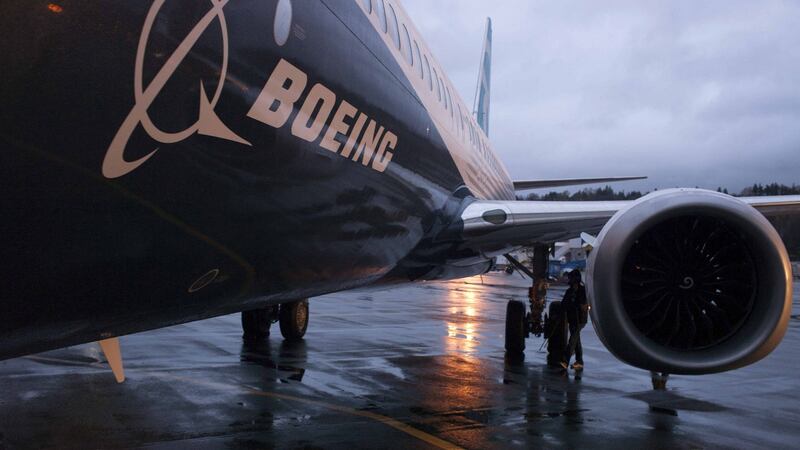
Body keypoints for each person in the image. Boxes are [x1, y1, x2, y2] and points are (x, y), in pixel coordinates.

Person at [561, 269, 588, 370]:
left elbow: (583, 304)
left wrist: (577, 304)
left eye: (571, 278)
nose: (570, 281)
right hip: (572, 319)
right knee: (576, 340)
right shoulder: (569, 291)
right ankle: (579, 361)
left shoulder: (582, 291)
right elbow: (563, 304)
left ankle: (565, 360)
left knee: (572, 339)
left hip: (580, 319)